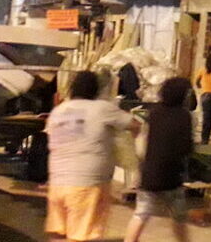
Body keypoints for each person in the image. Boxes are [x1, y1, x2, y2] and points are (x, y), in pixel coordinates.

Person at [45, 70, 139, 242]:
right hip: (87, 185)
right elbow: (134, 124)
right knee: (82, 236)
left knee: (58, 234)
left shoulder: (58, 111)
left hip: (57, 184)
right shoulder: (102, 108)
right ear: (96, 90)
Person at [123, 77, 193, 242]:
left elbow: (143, 143)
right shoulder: (184, 116)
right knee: (179, 217)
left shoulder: (154, 113)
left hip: (150, 175)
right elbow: (186, 147)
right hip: (171, 176)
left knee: (141, 214)